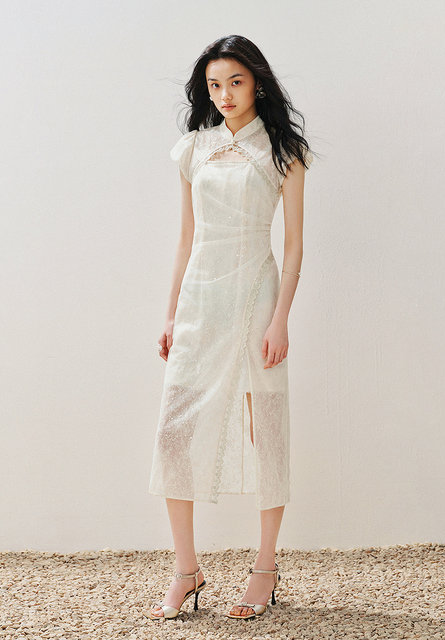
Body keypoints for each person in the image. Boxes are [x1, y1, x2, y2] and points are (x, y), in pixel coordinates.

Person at [144, 34, 314, 621]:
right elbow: (185, 239)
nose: (224, 95)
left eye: (235, 82)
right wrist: (171, 313)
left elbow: (294, 248)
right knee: (175, 431)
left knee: (265, 427)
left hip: (256, 297)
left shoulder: (283, 153)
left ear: (257, 84)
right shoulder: (194, 148)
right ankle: (186, 570)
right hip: (200, 298)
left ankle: (264, 567)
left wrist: (281, 319)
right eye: (214, 85)